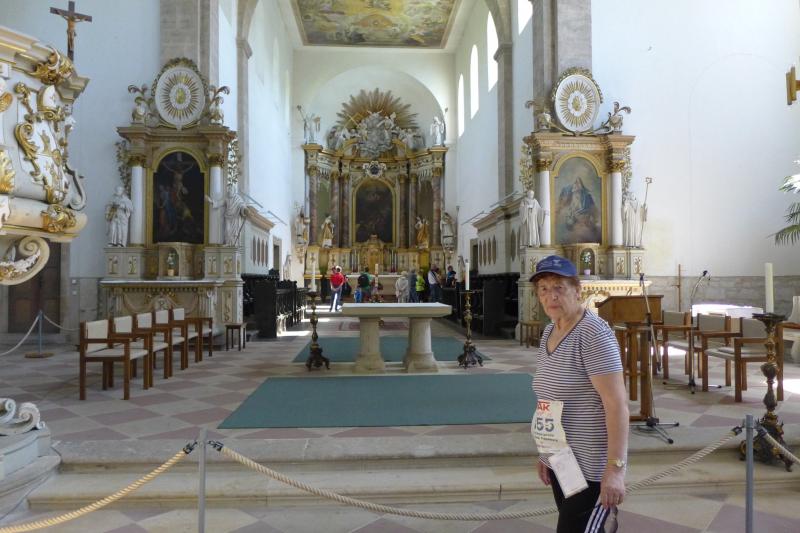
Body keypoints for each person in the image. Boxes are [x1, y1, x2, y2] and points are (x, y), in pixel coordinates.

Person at [530, 255, 628, 533]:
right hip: (562, 459)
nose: (551, 296)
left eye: (559, 288)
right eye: (544, 289)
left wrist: (615, 469)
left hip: (592, 466)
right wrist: (546, 454)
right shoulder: (550, 331)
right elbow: (548, 398)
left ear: (577, 290)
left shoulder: (593, 334)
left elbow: (617, 404)